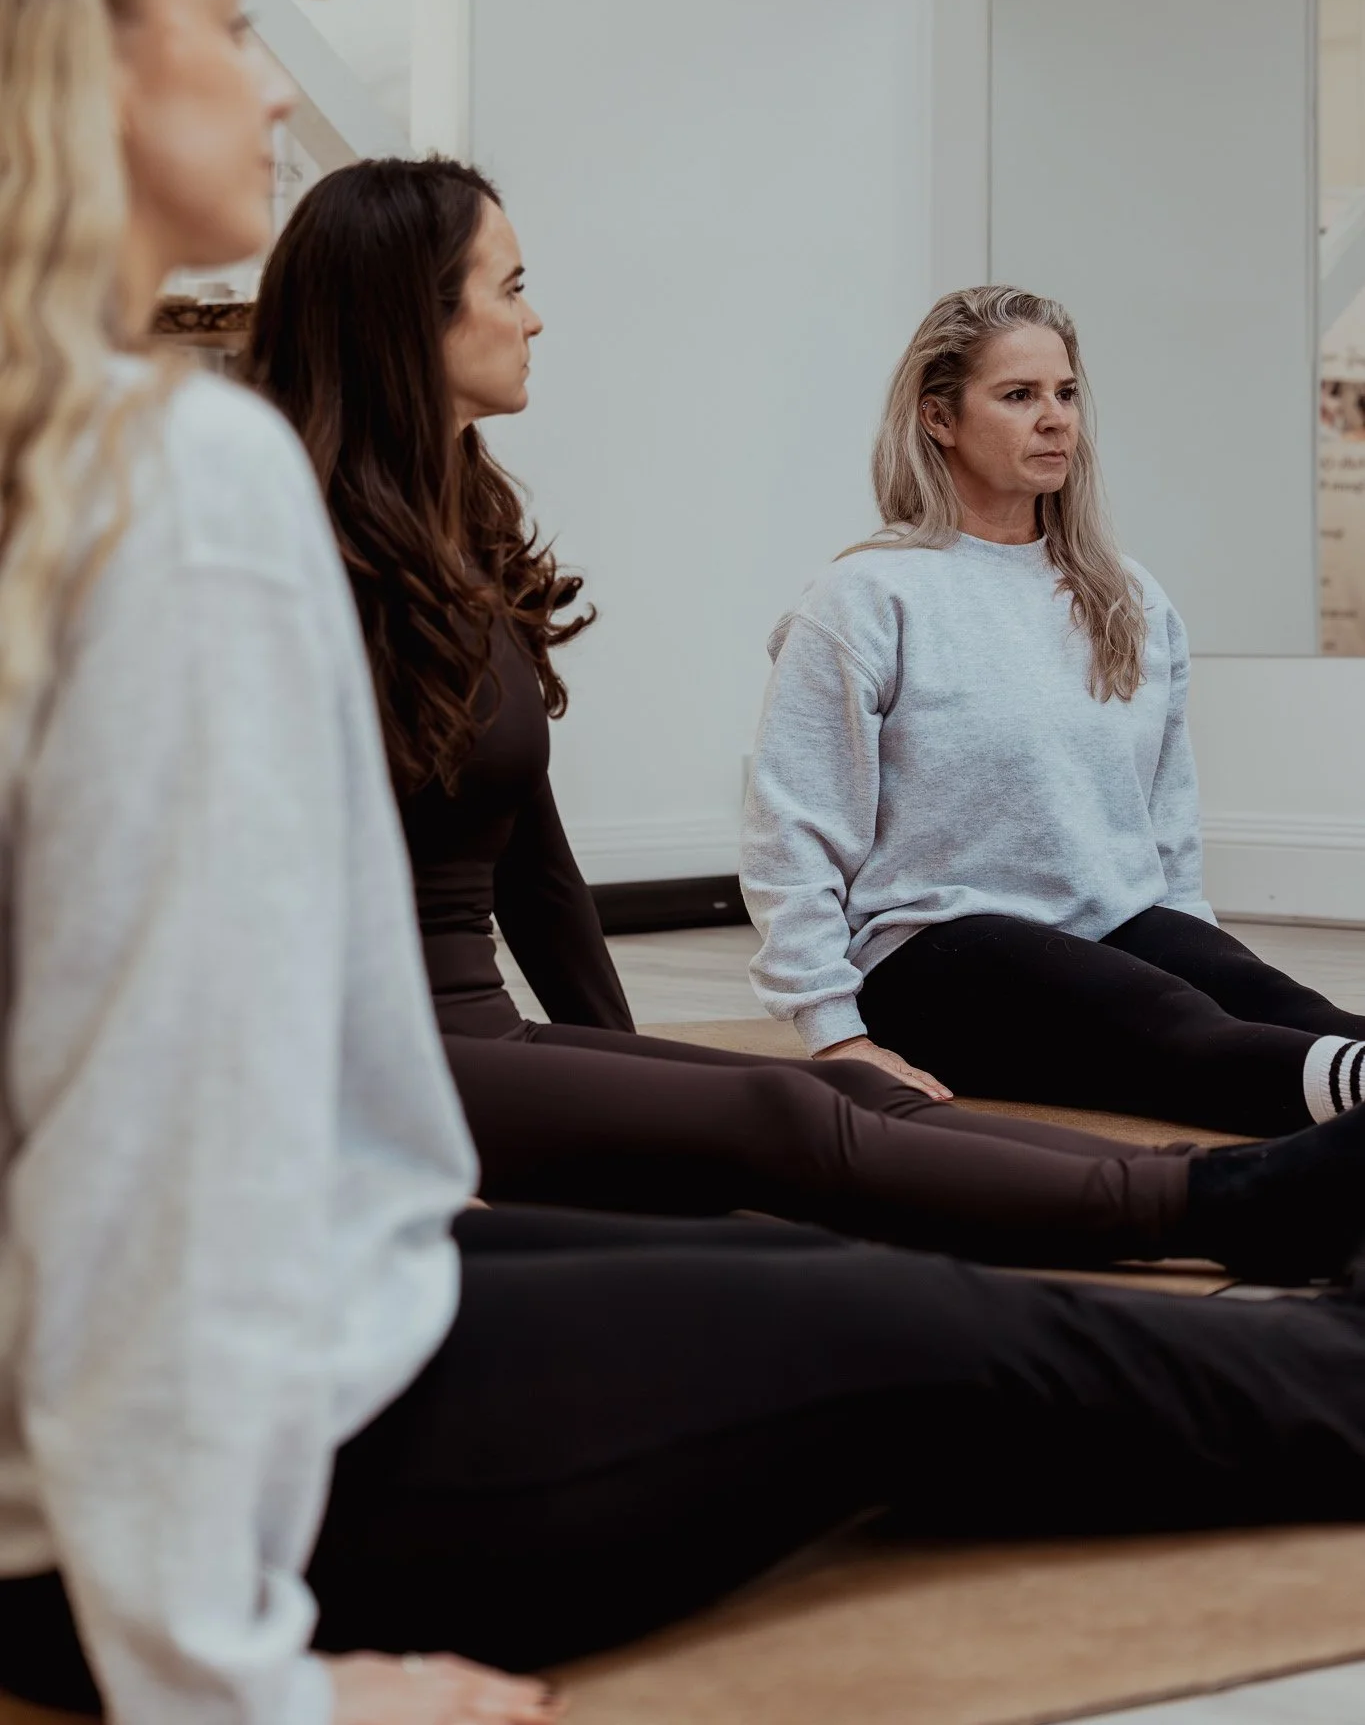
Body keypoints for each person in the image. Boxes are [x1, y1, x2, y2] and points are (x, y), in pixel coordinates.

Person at [13, 0, 1365, 1725]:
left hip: (277, 1333)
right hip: (198, 1458)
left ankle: (1297, 1275)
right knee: (886, 1303)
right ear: (82, 69)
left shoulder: (136, 465)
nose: (265, 76)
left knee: (808, 1235)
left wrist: (560, 1102)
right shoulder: (177, 489)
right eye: (229, 17)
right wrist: (240, 1684)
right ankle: (1300, 1295)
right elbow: (143, 1091)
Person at [241, 158, 1365, 1284]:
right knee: (799, 1103)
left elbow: (537, 866)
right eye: (513, 284)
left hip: (477, 1026)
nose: (537, 316)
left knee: (819, 1093)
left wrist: (622, 1077)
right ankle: (1223, 1201)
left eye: (1066, 392)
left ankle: (1255, 1177)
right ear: (409, 316)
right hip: (391, 1049)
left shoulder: (457, 549)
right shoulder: (279, 565)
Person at [740, 285, 1365, 1139]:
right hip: (936, 951)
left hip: (1110, 926)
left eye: (1065, 394)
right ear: (938, 418)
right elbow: (793, 828)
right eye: (1018, 395)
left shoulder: (1125, 594)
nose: (1055, 420)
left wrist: (1195, 946)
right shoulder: (865, 597)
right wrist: (831, 1029)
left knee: (1277, 1002)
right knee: (1178, 1027)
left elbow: (1164, 822)